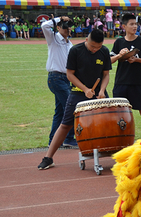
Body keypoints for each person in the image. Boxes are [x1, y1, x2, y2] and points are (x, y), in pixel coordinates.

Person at [38, 29, 111, 170]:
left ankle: (113, 152)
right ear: (86, 40)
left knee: (107, 122)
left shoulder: (104, 51)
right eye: (92, 47)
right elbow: (70, 74)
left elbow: (106, 74)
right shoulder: (75, 51)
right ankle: (48, 158)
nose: (95, 50)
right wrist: (85, 89)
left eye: (98, 47)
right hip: (78, 93)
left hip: (98, 94)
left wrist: (101, 91)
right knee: (66, 124)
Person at [110, 13, 141, 133]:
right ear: (124, 27)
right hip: (121, 83)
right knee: (119, 115)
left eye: (135, 24)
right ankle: (119, 140)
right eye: (131, 24)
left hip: (136, 83)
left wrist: (136, 59)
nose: (134, 27)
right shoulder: (119, 42)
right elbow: (109, 61)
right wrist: (119, 55)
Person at [41, 16, 77, 147]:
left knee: (60, 111)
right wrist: (59, 18)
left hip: (66, 79)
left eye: (69, 26)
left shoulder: (69, 43)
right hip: (56, 78)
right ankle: (68, 138)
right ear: (58, 27)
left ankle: (53, 141)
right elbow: (44, 26)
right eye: (64, 26)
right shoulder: (53, 38)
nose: (68, 29)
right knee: (72, 107)